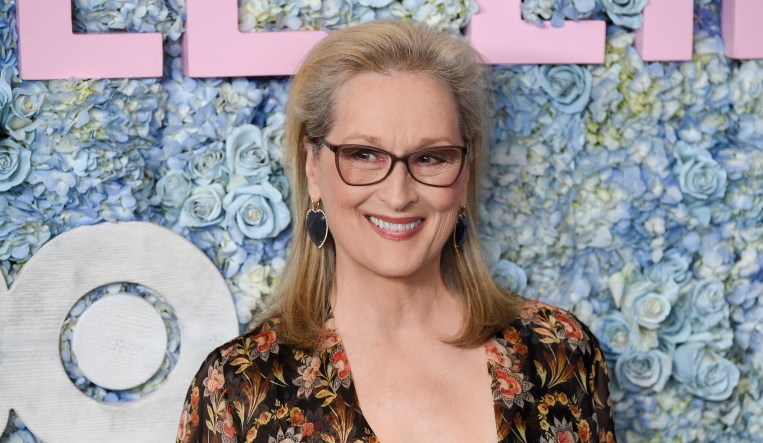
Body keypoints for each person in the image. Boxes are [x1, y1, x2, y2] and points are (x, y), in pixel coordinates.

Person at [176, 20, 615, 443]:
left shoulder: (559, 350)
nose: (399, 194)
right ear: (313, 167)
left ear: (464, 173)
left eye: (430, 157)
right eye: (364, 154)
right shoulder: (237, 387)